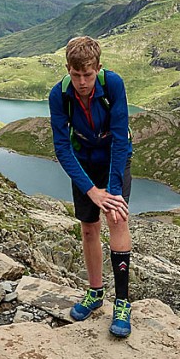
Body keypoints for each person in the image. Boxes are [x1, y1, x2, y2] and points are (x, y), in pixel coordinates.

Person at [48, 36, 134, 337]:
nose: (82, 82)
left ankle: (122, 303)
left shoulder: (113, 85)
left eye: (88, 74)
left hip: (114, 156)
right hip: (83, 160)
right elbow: (62, 148)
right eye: (75, 74)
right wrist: (90, 190)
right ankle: (95, 292)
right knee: (88, 228)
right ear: (67, 69)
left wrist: (110, 192)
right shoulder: (59, 96)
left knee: (117, 217)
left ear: (98, 67)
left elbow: (121, 139)